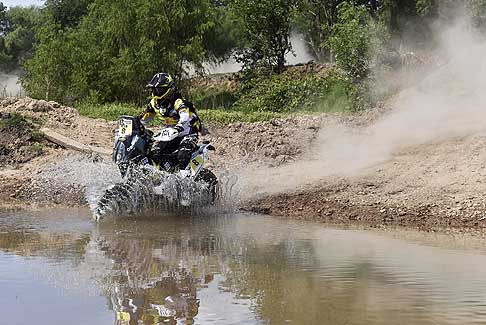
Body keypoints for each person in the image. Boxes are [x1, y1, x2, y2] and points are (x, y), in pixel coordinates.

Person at [139, 72, 201, 173]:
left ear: (168, 89)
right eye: (154, 89)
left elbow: (184, 116)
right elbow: (142, 119)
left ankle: (185, 180)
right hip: (169, 135)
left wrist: (178, 128)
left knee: (183, 154)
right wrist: (133, 125)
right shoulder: (154, 103)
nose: (156, 92)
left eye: (159, 89)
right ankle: (162, 175)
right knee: (154, 152)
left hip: (187, 133)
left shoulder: (178, 101)